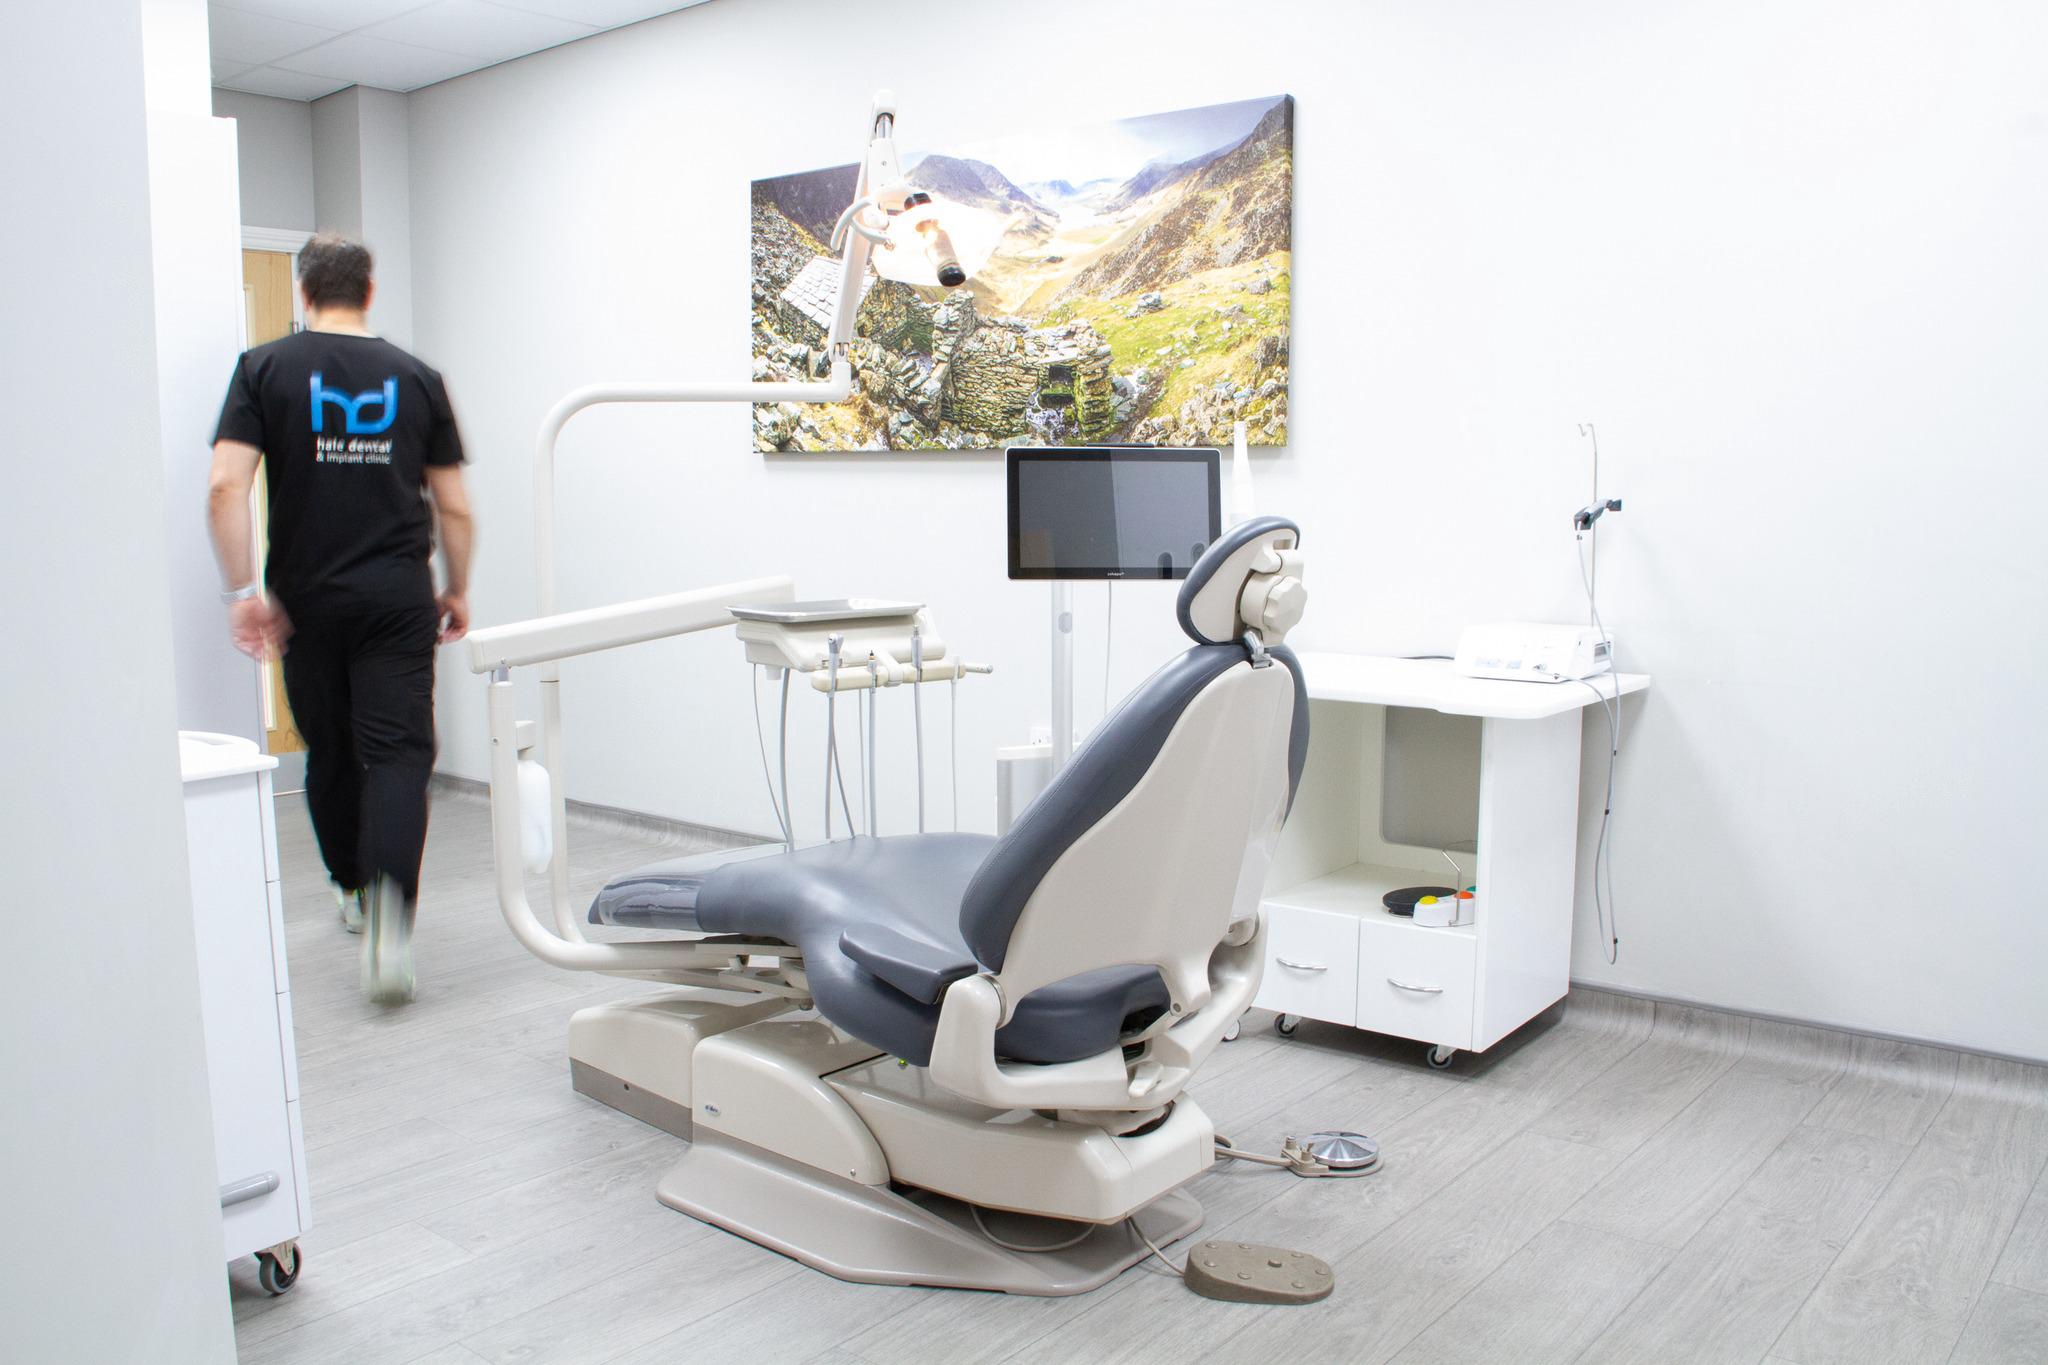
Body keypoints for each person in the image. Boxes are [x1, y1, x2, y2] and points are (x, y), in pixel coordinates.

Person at [206, 233, 474, 1004]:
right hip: (396, 596)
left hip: (306, 599)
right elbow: (453, 505)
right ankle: (392, 911)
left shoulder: (263, 369)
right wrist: (456, 587)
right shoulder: (418, 378)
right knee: (397, 755)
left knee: (328, 748)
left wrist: (241, 592)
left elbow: (225, 487)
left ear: (304, 291)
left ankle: (353, 888)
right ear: (370, 290)